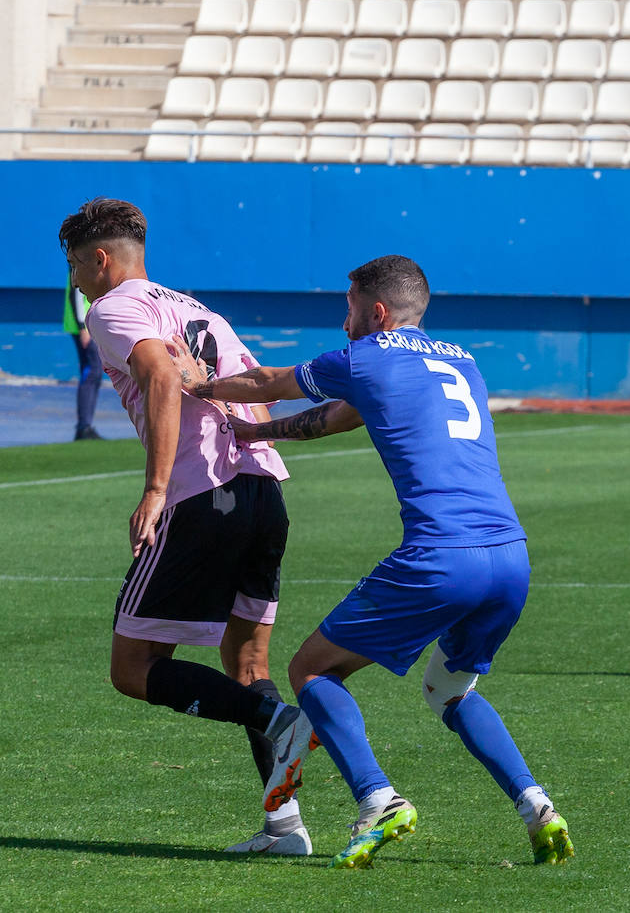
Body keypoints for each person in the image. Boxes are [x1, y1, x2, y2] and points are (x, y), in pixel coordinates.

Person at [167, 254, 574, 868]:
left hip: (441, 555)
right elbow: (340, 416)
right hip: (510, 558)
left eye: (349, 305)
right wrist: (255, 436)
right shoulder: (461, 360)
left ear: (376, 311)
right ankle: (537, 807)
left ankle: (377, 799)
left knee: (310, 670)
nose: (345, 318)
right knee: (452, 689)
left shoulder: (367, 356)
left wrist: (197, 384)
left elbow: (266, 382)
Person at [58, 197, 314, 855]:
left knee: (133, 666)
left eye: (74, 268)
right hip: (263, 488)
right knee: (248, 660)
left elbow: (162, 379)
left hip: (204, 495)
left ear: (100, 259)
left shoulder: (114, 309)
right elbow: (256, 383)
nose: (75, 285)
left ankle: (278, 720)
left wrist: (153, 490)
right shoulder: (202, 312)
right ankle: (285, 825)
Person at [64, 272, 105, 440]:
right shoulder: (81, 263)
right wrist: (82, 326)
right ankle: (84, 426)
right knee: (92, 371)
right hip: (84, 327)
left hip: (88, 326)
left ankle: (85, 425)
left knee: (93, 372)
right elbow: (76, 294)